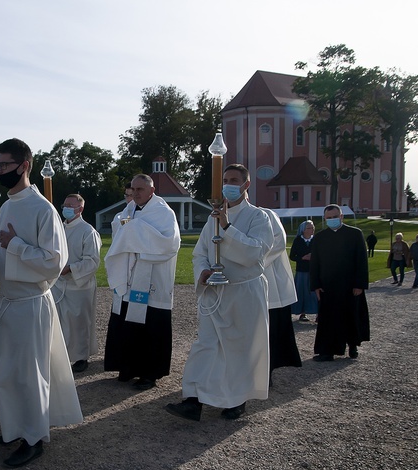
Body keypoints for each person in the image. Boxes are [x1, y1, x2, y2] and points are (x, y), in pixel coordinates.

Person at [0, 138, 82, 468]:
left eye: (4, 165)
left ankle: (34, 437)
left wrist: (16, 245)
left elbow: (54, 261)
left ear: (24, 166)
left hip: (31, 303)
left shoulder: (42, 209)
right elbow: (3, 251)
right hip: (8, 301)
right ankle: (14, 426)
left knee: (28, 374)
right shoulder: (8, 205)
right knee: (3, 371)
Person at [165, 164, 272, 422]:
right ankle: (193, 400)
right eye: (225, 180)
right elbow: (200, 252)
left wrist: (227, 228)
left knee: (238, 348)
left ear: (246, 185)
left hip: (243, 292)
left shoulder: (259, 217)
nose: (228, 184)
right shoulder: (213, 217)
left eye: (234, 180)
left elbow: (256, 253)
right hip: (215, 293)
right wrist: (202, 271)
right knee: (206, 346)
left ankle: (236, 400)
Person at [104, 174, 181, 391]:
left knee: (151, 325)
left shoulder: (163, 212)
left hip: (152, 276)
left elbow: (169, 242)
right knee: (128, 322)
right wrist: (130, 230)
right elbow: (119, 228)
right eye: (133, 189)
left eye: (140, 189)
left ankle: (150, 373)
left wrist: (135, 232)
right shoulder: (129, 210)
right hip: (131, 275)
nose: (136, 193)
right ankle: (127, 367)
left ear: (151, 190)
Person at [310, 204, 370, 362]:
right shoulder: (320, 238)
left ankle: (353, 346)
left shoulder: (355, 234)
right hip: (327, 286)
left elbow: (362, 260)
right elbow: (315, 263)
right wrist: (315, 285)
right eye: (329, 218)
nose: (332, 220)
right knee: (328, 319)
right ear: (324, 219)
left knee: (351, 316)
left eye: (335, 217)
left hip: (350, 285)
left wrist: (360, 284)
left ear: (341, 216)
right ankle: (327, 351)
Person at [51, 193, 102, 373]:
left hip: (80, 285)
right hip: (58, 284)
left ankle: (81, 357)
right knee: (59, 320)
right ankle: (61, 356)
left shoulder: (88, 232)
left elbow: (92, 261)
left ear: (80, 209)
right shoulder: (58, 229)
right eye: (64, 205)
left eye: (70, 206)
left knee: (79, 321)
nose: (66, 209)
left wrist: (71, 268)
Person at [261, 207, 301, 377]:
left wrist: (250, 261)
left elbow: (278, 242)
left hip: (270, 282)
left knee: (271, 331)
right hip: (238, 283)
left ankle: (267, 371)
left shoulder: (267, 215)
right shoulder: (224, 217)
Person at [290, 220, 318, 322]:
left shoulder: (316, 240)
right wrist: (302, 258)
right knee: (302, 292)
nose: (311, 230)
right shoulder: (298, 240)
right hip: (302, 271)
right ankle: (302, 313)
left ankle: (318, 313)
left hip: (314, 270)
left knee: (315, 292)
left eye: (312, 228)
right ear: (303, 230)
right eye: (309, 228)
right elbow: (292, 256)